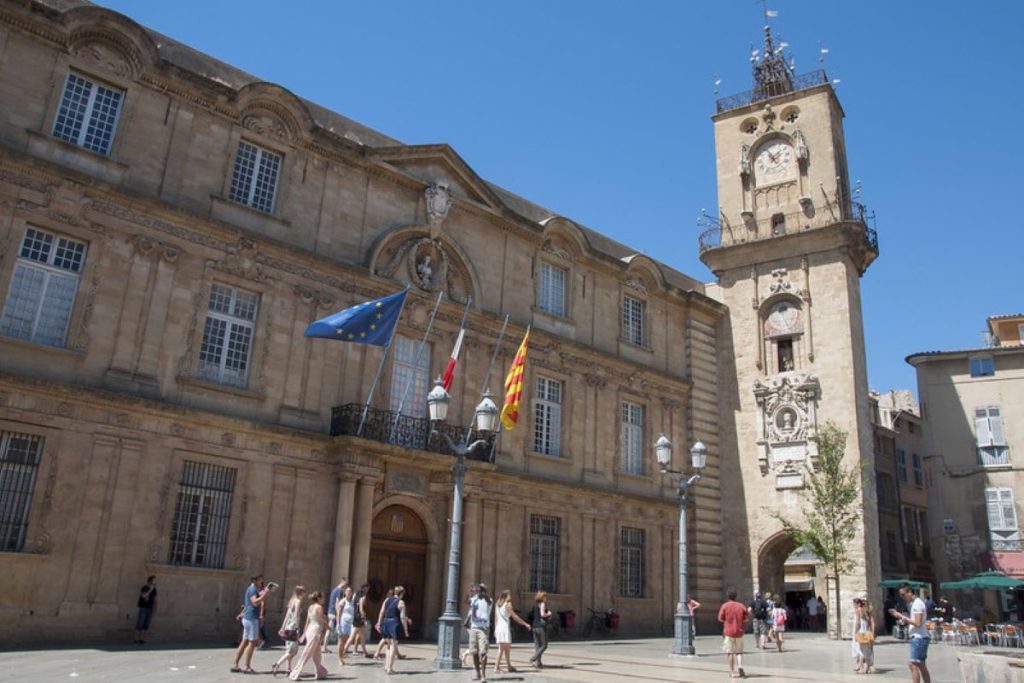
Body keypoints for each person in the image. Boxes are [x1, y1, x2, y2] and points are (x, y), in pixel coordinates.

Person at [231, 575, 273, 674]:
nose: (262, 581)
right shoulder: (252, 589)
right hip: (252, 618)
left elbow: (249, 603)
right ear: (255, 580)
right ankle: (247, 666)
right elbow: (255, 602)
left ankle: (235, 665)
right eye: (260, 579)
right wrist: (265, 594)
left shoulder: (252, 589)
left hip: (248, 618)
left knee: (244, 641)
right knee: (252, 643)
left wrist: (264, 593)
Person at [889, 583, 930, 683]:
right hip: (920, 636)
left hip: (919, 638)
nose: (902, 597)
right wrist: (905, 621)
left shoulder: (917, 604)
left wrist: (900, 616)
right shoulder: (916, 603)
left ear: (910, 592)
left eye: (903, 595)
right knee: (921, 664)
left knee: (913, 664)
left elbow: (917, 623)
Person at [289, 590, 328, 681]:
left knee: (317, 653)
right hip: (315, 630)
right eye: (323, 597)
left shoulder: (311, 607)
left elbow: (307, 621)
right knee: (307, 653)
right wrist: (325, 629)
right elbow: (321, 621)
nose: (324, 599)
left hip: (310, 630)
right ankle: (295, 673)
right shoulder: (319, 607)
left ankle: (320, 672)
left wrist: (304, 633)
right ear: (319, 598)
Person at [493, 589, 531, 674]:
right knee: (502, 648)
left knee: (507, 648)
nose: (511, 596)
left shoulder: (497, 604)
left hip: (499, 627)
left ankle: (509, 666)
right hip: (504, 627)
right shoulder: (508, 605)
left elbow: (496, 618)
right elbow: (515, 617)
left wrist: (495, 629)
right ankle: (496, 667)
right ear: (506, 596)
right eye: (509, 595)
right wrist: (525, 624)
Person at [375, 585, 410, 675]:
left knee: (388, 646)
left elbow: (381, 612)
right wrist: (406, 630)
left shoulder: (386, 600)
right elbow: (402, 617)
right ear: (401, 593)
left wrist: (379, 623)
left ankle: (386, 666)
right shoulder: (401, 602)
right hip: (394, 624)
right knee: (393, 646)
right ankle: (390, 668)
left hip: (385, 623)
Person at [273, 585, 305, 676]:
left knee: (289, 650)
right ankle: (277, 664)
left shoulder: (291, 601)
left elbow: (287, 616)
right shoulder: (298, 601)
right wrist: (298, 628)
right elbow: (296, 616)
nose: (305, 593)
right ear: (301, 592)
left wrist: (282, 628)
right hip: (293, 628)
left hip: (288, 627)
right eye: (304, 591)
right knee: (293, 651)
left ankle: (288, 669)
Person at [718, 588, 749, 679]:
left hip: (728, 632)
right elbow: (746, 619)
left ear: (728, 596)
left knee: (730, 652)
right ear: (736, 596)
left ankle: (732, 672)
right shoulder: (741, 606)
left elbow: (720, 618)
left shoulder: (725, 606)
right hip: (739, 632)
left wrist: (727, 620)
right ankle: (740, 666)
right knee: (739, 651)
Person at [466, 582, 492, 681]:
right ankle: (477, 672)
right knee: (474, 652)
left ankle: (483, 675)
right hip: (474, 628)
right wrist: (469, 592)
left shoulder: (488, 600)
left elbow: (488, 600)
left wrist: (482, 590)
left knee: (483, 652)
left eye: (481, 589)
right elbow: (466, 601)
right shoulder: (474, 599)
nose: (479, 591)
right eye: (479, 589)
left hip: (483, 629)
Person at [851, 597, 877, 674]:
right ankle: (867, 667)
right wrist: (873, 632)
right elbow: (872, 623)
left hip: (861, 631)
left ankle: (862, 667)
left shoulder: (858, 610)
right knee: (867, 650)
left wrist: (855, 632)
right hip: (867, 631)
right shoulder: (867, 612)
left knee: (861, 650)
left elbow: (858, 622)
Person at [528, 590, 552, 669]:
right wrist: (548, 614)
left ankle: (539, 663)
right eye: (546, 597)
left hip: (534, 626)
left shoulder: (535, 605)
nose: (547, 598)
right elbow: (542, 614)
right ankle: (533, 658)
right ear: (543, 597)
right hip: (541, 627)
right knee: (544, 645)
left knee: (537, 645)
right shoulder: (542, 604)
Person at [324, 577, 347, 653]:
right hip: (334, 613)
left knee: (329, 630)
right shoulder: (340, 591)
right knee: (339, 631)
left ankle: (325, 646)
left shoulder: (334, 589)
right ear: (342, 582)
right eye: (345, 584)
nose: (346, 586)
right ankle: (339, 648)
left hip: (330, 611)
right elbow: (338, 603)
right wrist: (338, 615)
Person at [335, 585, 355, 667]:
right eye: (347, 591)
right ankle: (339, 658)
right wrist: (338, 624)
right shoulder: (343, 602)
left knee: (345, 641)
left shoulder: (352, 602)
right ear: (345, 593)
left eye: (350, 591)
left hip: (349, 623)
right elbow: (338, 614)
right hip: (343, 623)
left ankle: (342, 656)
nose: (349, 593)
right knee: (341, 641)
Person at [134, 575, 157, 644]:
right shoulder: (144, 588)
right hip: (143, 608)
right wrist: (150, 590)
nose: (155, 581)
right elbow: (143, 596)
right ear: (150, 581)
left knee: (145, 625)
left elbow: (155, 599)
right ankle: (136, 639)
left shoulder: (154, 589)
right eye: (154, 580)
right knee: (139, 624)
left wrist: (155, 608)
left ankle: (142, 639)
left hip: (149, 608)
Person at [348, 584, 369, 657]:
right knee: (353, 636)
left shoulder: (356, 595)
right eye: (367, 588)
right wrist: (364, 620)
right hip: (359, 618)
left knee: (361, 636)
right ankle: (344, 651)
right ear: (364, 588)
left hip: (356, 616)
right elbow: (361, 609)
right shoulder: (362, 597)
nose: (367, 590)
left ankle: (363, 651)